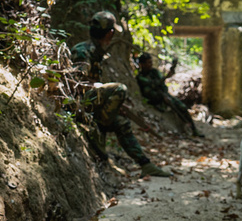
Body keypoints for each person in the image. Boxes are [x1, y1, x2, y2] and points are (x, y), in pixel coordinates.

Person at [71, 12, 171, 177]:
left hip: (88, 104)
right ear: (110, 33)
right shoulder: (84, 51)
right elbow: (78, 85)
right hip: (79, 106)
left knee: (121, 121)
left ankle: (145, 164)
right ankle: (97, 130)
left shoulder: (96, 51)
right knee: (120, 89)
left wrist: (113, 105)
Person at [135, 52, 204, 137]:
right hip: (154, 99)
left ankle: (194, 130)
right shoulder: (140, 77)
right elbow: (152, 85)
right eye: (148, 62)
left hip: (163, 95)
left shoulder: (154, 72)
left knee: (182, 107)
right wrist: (165, 79)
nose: (150, 64)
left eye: (151, 62)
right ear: (142, 64)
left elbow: (162, 86)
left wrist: (164, 94)